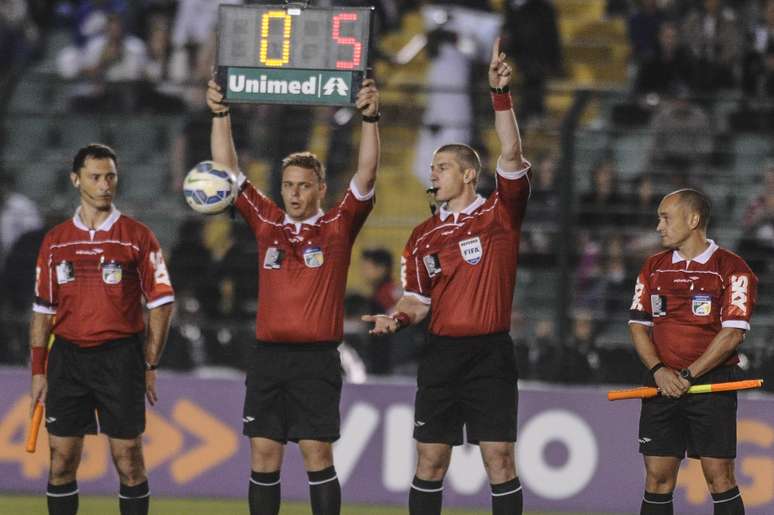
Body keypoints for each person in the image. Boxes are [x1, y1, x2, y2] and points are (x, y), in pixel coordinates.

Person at [363, 39, 529, 515]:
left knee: (499, 458)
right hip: (441, 353)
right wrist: (396, 319)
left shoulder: (500, 213)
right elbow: (417, 300)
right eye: (432, 167)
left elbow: (513, 152)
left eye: (442, 167)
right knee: (431, 460)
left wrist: (500, 94)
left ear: (469, 175)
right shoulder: (421, 236)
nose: (432, 174)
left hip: (490, 353)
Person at [207, 77, 380, 515]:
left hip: (316, 360)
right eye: (288, 185)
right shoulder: (268, 224)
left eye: (305, 185)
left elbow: (367, 174)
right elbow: (227, 172)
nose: (295, 193)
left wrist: (371, 119)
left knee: (317, 458)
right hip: (267, 357)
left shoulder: (338, 226)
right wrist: (220, 113)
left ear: (321, 189)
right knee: (263, 457)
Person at [28, 143, 175, 515]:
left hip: (119, 357)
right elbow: (42, 309)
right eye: (95, 177)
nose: (105, 184)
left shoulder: (137, 236)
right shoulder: (56, 241)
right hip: (68, 358)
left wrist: (150, 363)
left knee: (128, 460)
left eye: (110, 176)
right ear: (76, 180)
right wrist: (37, 370)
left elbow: (161, 302)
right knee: (61, 461)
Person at [628, 189, 757, 515]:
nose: (658, 226)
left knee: (719, 478)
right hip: (661, 385)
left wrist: (686, 376)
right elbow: (638, 326)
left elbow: (731, 335)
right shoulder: (653, 267)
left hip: (710, 385)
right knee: (657, 479)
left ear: (694, 219)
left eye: (665, 217)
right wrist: (660, 371)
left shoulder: (732, 268)